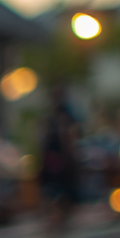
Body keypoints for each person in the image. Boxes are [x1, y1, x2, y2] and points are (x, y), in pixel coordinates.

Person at [39, 87, 80, 229]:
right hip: (54, 164)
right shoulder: (55, 120)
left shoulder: (62, 118)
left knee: (59, 191)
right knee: (55, 191)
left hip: (58, 164)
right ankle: (57, 216)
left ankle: (60, 217)